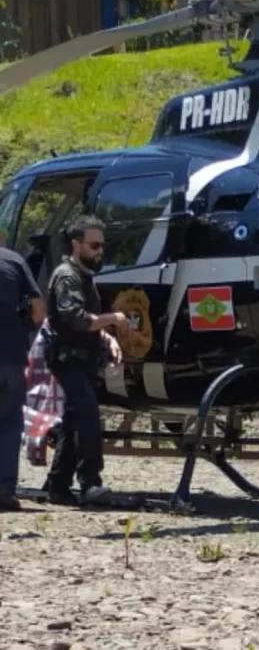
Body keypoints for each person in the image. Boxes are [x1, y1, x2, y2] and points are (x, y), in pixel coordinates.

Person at [42, 215, 128, 507]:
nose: (100, 251)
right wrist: (113, 319)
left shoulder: (83, 275)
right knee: (87, 415)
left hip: (84, 357)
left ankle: (58, 485)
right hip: (69, 358)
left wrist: (106, 337)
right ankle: (90, 483)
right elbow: (77, 319)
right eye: (94, 245)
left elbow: (88, 322)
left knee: (74, 420)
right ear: (76, 244)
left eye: (102, 245)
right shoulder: (68, 276)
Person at [0, 236, 45, 511]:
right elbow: (39, 310)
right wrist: (22, 325)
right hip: (10, 357)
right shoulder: (14, 260)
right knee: (9, 421)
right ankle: (4, 490)